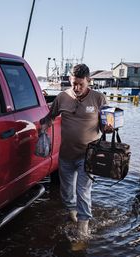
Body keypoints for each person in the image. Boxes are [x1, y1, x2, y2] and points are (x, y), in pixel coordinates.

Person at [40, 64, 111, 239]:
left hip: (88, 155)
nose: (77, 88)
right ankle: (72, 215)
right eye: (73, 84)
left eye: (81, 84)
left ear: (88, 81)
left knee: (83, 191)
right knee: (66, 192)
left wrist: (108, 128)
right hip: (66, 155)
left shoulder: (99, 98)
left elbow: (106, 124)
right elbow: (50, 116)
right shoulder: (62, 97)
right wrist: (43, 128)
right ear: (70, 81)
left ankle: (82, 229)